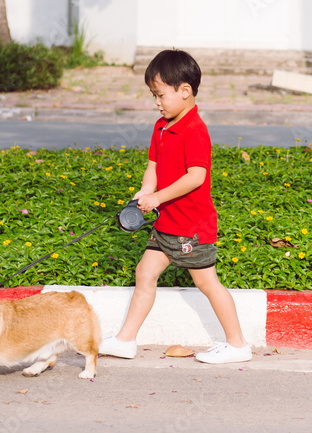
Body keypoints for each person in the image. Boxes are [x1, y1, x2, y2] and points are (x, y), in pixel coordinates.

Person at [99, 49, 252, 364]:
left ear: (185, 91)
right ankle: (125, 340)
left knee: (207, 282)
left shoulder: (195, 130)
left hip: (192, 229)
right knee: (145, 272)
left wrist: (157, 198)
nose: (156, 101)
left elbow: (196, 177)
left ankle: (238, 345)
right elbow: (152, 165)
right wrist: (145, 190)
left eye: (160, 94)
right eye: (153, 95)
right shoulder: (161, 127)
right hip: (167, 223)